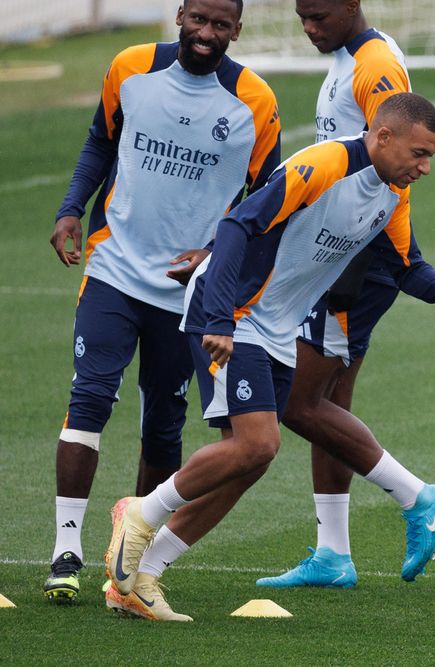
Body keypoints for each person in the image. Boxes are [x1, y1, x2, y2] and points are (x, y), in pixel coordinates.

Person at [103, 93, 435, 621]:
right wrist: (221, 318)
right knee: (258, 443)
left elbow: (407, 266)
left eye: (431, 156)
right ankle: (140, 512)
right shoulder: (325, 165)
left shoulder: (393, 193)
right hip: (235, 312)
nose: (425, 167)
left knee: (249, 461)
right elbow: (238, 226)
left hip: (275, 328)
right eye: (419, 153)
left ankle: (140, 576)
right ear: (383, 137)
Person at [43, 0, 280, 603]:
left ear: (237, 30)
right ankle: (64, 551)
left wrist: (215, 258)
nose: (206, 34)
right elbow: (100, 143)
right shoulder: (131, 68)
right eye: (197, 20)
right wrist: (72, 208)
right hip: (113, 268)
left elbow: (270, 207)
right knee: (90, 394)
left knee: (164, 422)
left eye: (220, 26)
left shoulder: (255, 103)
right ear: (180, 14)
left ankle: (130, 560)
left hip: (188, 295)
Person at [254, 0, 435, 590]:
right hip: (345, 252)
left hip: (349, 258)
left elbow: (397, 161)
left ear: (352, 5)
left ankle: (417, 497)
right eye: (302, 14)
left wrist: (393, 267)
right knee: (330, 406)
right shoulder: (346, 58)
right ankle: (334, 554)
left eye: (319, 14)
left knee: (297, 404)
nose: (308, 26)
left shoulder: (376, 63)